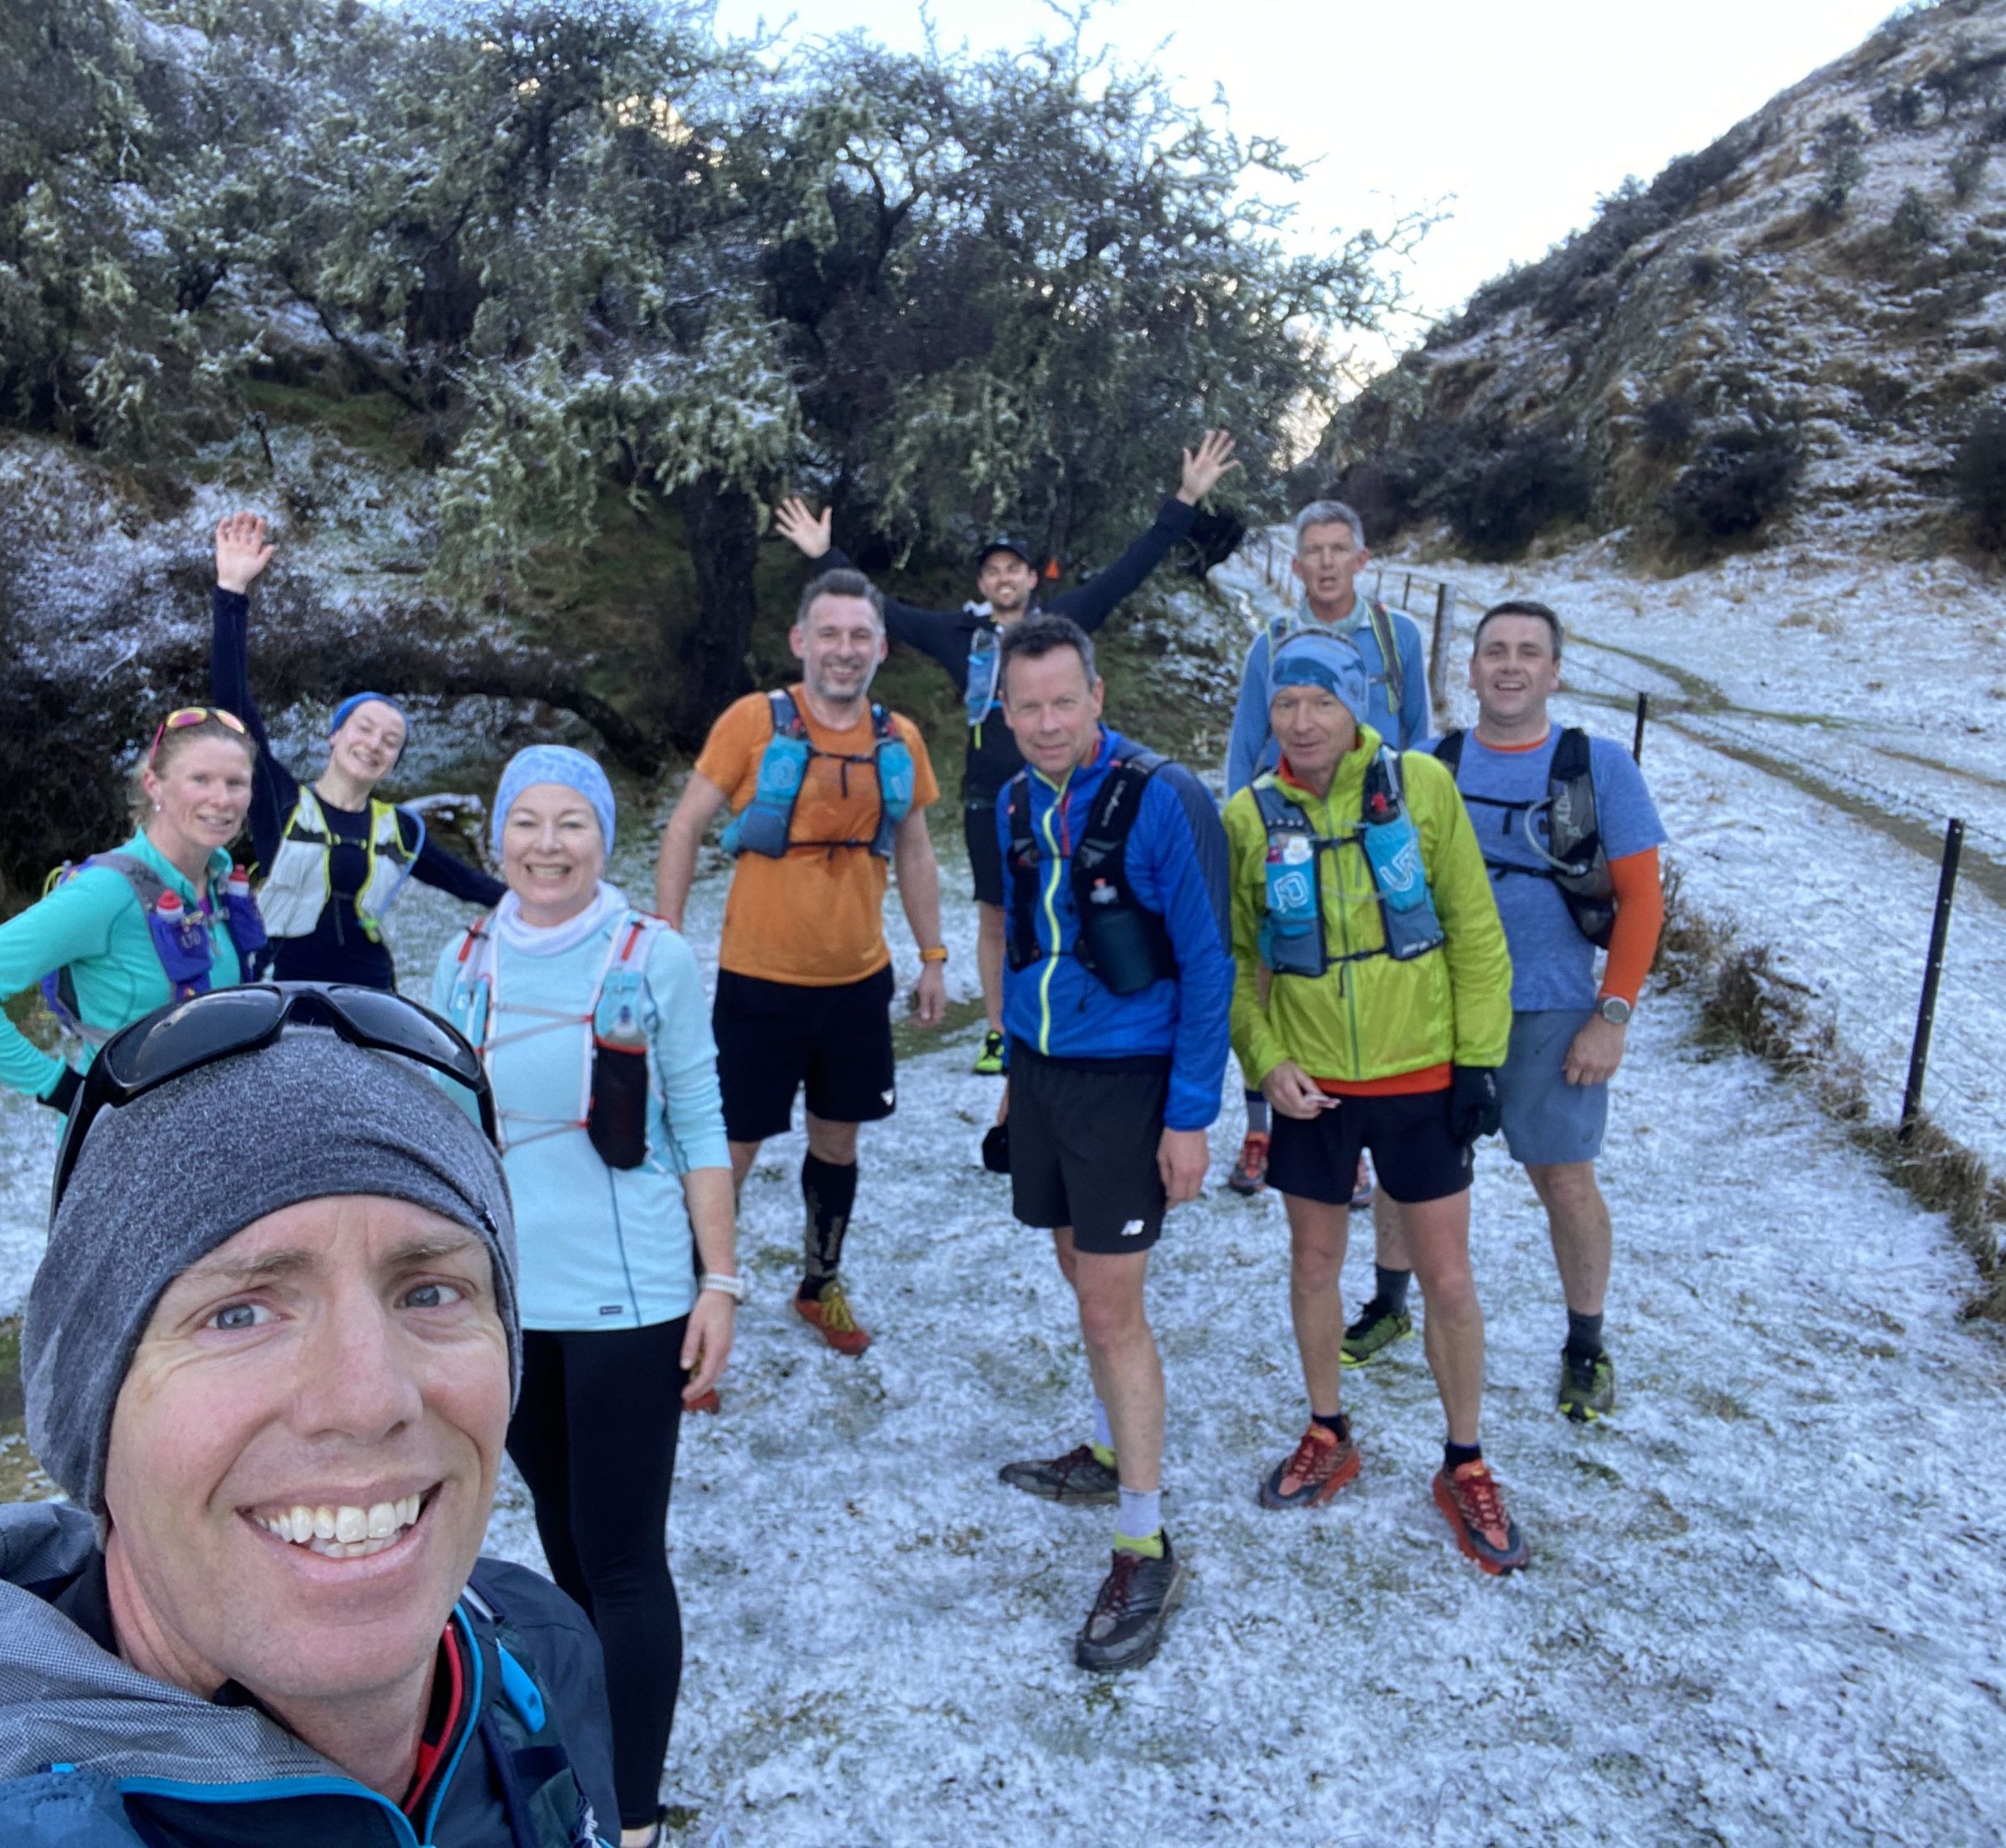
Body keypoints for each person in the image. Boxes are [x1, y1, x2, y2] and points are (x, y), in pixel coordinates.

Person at [0, 984, 619, 1845]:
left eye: (430, 1292)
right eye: (240, 1312)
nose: (367, 1399)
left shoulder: (538, 1653)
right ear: (93, 1413)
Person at [432, 745, 737, 1847]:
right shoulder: (465, 958)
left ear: (605, 838)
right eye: (528, 821)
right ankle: (595, 1763)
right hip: (504, 1307)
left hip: (628, 1299)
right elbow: (433, 1128)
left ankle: (638, 1821)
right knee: (564, 1549)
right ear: (498, 836)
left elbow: (700, 1122)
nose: (548, 845)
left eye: (573, 823)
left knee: (620, 1557)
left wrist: (721, 1281)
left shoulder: (649, 955)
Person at [774, 432, 1237, 1078]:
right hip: (990, 798)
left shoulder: (1063, 625)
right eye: (991, 570)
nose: (1003, 578)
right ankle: (999, 1030)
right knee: (998, 915)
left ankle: (1074, 1010)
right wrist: (827, 557)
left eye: (1013, 568)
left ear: (1030, 575)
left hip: (1070, 791)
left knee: (1075, 901)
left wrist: (1186, 498)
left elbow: (1128, 571)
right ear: (983, 582)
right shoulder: (959, 635)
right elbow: (886, 612)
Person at [1223, 633, 1527, 1574]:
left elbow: (1475, 928)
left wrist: (1479, 1061)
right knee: (1315, 1263)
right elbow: (1237, 962)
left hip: (1422, 1073)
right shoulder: (1248, 815)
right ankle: (1328, 1429)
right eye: (1286, 705)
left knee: (1448, 1277)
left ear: (1357, 706)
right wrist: (1267, 1064)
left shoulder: (1421, 789)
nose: (1304, 722)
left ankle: (1465, 1460)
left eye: (1322, 702)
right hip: (1313, 1086)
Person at [985, 615, 1231, 1672]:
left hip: (1132, 1081)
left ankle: (1145, 1537)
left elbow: (1210, 963)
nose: (1046, 723)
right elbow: (1013, 936)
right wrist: (1005, 1076)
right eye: (1026, 705)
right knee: (1072, 1261)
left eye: (1063, 702)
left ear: (1097, 693)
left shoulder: (1166, 797)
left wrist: (1189, 1115)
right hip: (1044, 1072)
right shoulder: (1008, 800)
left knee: (1107, 1302)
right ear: (1004, 710)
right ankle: (1101, 1446)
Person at [1369, 599, 1663, 1423]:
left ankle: (1586, 1344)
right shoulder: (1428, 762)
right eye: (1494, 650)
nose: (1508, 666)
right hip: (1435, 1006)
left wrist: (1613, 1014)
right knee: (1405, 1169)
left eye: (1528, 652)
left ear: (1554, 671)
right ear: (1468, 670)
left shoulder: (1599, 767)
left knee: (1565, 1180)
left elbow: (1643, 901)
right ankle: (1391, 1303)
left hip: (1552, 1010)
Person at [653, 568, 945, 1355]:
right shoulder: (754, 722)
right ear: (800, 641)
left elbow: (915, 850)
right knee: (732, 1151)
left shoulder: (899, 739)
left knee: (837, 1142)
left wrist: (933, 955)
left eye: (859, 637)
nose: (843, 651)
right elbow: (684, 828)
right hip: (758, 984)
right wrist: (666, 934)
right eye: (829, 634)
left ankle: (819, 1285)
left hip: (856, 983)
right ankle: (693, 1303)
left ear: (880, 647)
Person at [1221, 499, 1433, 1198]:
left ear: (1362, 560)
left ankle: (1362, 1132)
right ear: (1296, 562)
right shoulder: (1272, 642)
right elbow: (1246, 747)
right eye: (1313, 550)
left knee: (1368, 974)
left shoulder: (1395, 635)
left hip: (1376, 841)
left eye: (1340, 549)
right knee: (1273, 975)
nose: (1326, 563)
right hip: (1287, 835)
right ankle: (1261, 1129)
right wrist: (1237, 840)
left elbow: (1418, 738)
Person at [0, 706, 265, 1114]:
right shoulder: (107, 892)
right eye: (200, 779)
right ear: (154, 785)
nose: (221, 799)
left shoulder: (223, 882)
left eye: (235, 782)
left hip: (215, 1120)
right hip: (128, 1137)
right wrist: (65, 1091)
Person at [209, 510, 504, 988]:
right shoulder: (280, 800)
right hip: (279, 992)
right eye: (363, 729)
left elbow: (473, 886)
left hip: (370, 996)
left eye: (390, 742)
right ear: (335, 736)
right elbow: (234, 704)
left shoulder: (402, 830)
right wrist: (231, 593)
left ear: (393, 763)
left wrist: (564, 903)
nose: (374, 745)